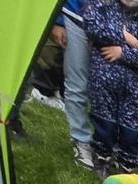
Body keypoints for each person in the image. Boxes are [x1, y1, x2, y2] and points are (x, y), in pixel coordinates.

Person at [84, 0, 138, 176]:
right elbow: (92, 26)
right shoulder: (103, 9)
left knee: (130, 132)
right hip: (103, 81)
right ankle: (102, 157)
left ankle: (125, 166)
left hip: (133, 90)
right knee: (105, 124)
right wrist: (123, 34)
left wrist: (123, 53)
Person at [52, 1, 96, 170]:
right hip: (75, 16)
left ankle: (104, 145)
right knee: (77, 83)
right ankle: (81, 140)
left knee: (106, 88)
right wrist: (58, 21)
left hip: (113, 24)